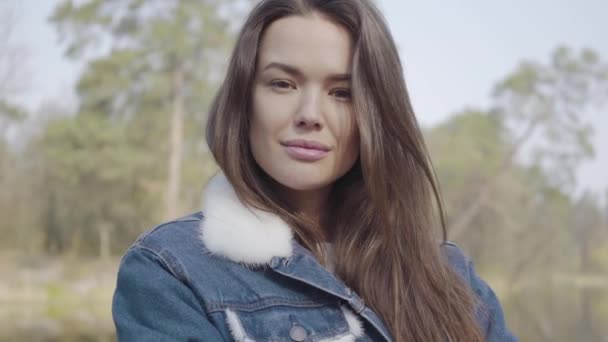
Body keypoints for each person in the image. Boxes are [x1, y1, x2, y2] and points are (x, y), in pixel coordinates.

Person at [112, 0, 517, 341]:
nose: (310, 115)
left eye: (342, 93)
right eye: (282, 84)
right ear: (243, 99)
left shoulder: (447, 274)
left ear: (374, 114)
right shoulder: (171, 270)